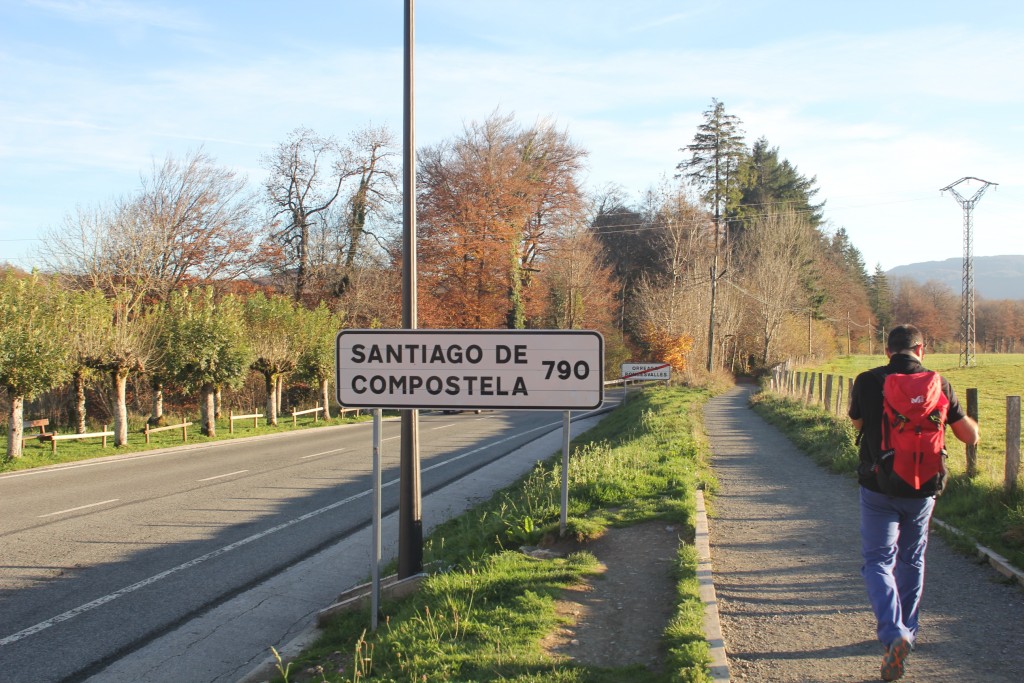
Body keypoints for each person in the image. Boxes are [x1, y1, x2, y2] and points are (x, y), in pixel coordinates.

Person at [848, 324, 979, 682]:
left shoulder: (867, 380)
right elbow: (969, 436)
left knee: (877, 561)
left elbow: (857, 421)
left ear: (887, 351)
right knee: (912, 559)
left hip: (878, 485)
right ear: (921, 349)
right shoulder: (939, 383)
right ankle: (910, 630)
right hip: (923, 489)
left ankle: (894, 634)